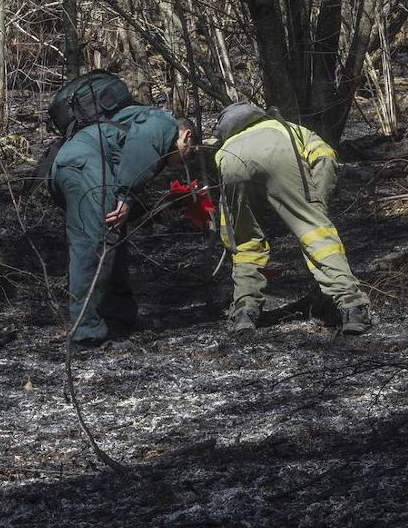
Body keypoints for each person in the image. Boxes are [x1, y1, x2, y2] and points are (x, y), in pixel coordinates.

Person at [212, 102, 372, 334]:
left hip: (230, 162)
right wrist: (317, 205)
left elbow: (231, 223)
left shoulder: (226, 146)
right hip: (278, 151)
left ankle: (244, 312)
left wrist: (234, 237)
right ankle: (352, 306)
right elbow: (324, 157)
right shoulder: (287, 128)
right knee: (315, 233)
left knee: (245, 244)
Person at [49, 105, 196, 346]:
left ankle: (118, 319)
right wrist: (127, 196)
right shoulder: (163, 123)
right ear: (186, 136)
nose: (183, 162)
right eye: (188, 153)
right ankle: (86, 332)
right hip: (87, 166)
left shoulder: (139, 128)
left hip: (75, 165)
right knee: (95, 246)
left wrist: (151, 212)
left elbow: (126, 168)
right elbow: (139, 152)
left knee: (111, 237)